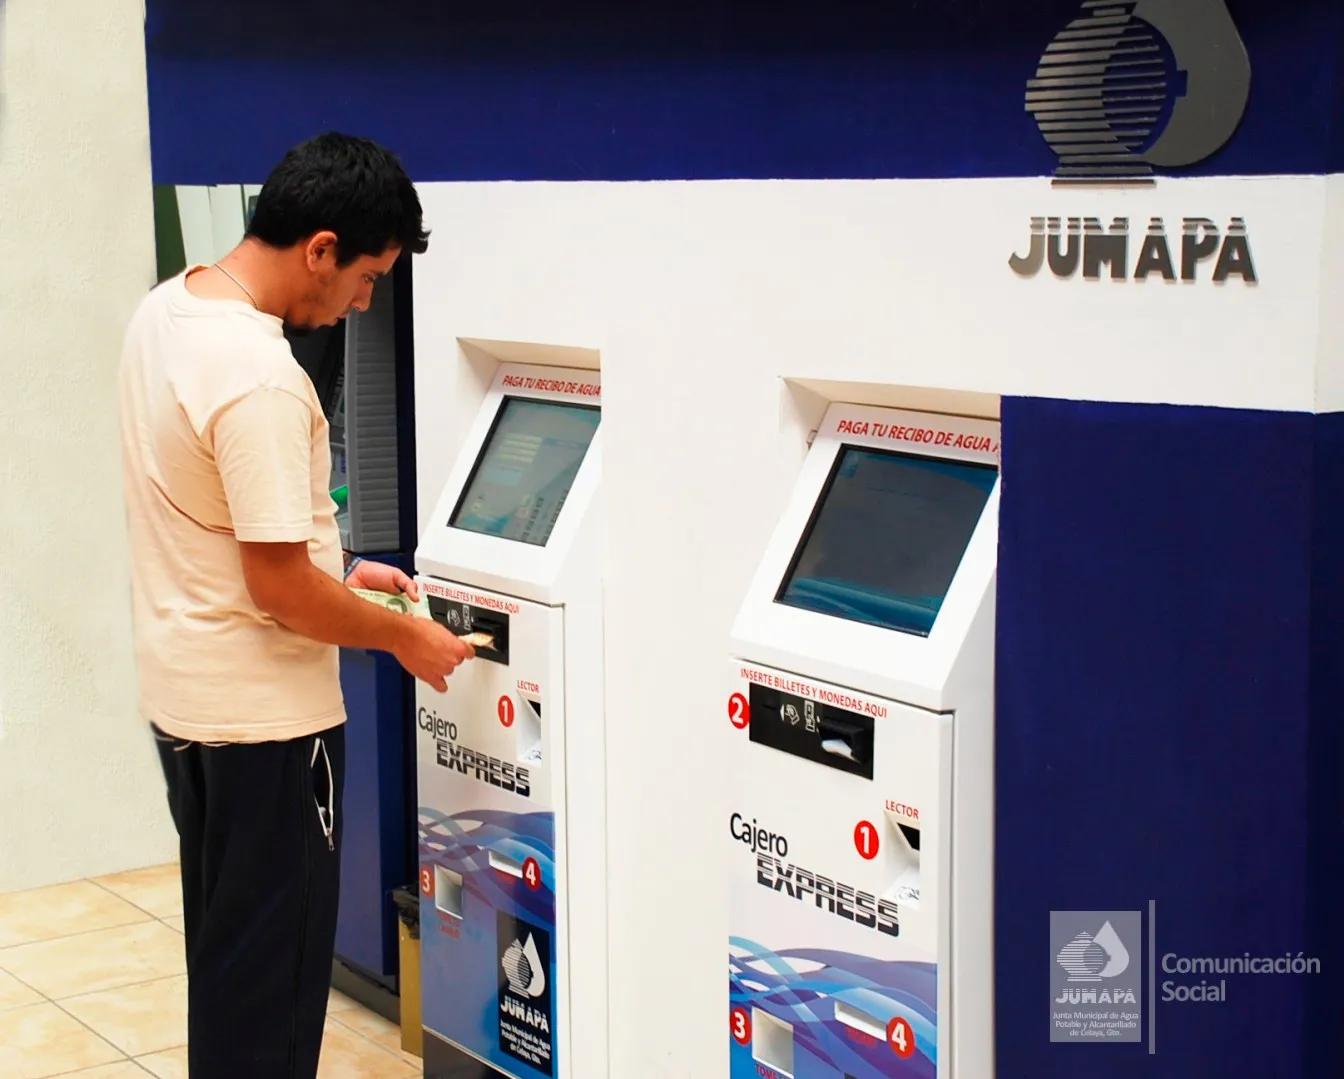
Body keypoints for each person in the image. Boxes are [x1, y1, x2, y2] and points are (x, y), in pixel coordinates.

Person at [116, 132, 474, 1078]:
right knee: (270, 1008)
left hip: (190, 714)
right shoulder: (260, 373)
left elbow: (221, 522)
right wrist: (402, 639)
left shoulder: (165, 313)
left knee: (232, 976)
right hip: (269, 736)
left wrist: (338, 568)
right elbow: (277, 591)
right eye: (366, 277)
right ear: (320, 248)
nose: (364, 302)